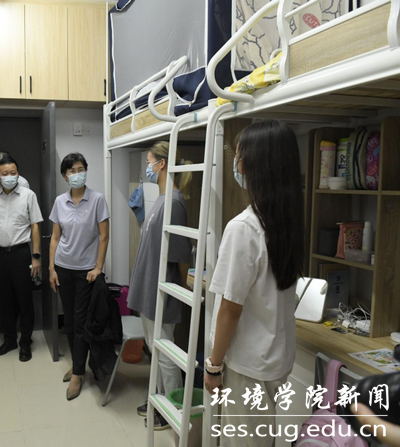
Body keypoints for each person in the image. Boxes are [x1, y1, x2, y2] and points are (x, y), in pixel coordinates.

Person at [204, 120, 304, 447]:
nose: (236, 162)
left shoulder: (244, 228)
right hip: (277, 360)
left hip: (248, 366)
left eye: (238, 155)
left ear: (253, 164)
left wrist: (214, 366)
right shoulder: (288, 222)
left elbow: (230, 310)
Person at [127, 141, 193, 431]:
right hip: (149, 288)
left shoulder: (174, 202)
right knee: (156, 350)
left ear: (162, 164)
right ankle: (159, 400)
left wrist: (184, 285)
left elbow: (181, 255)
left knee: (165, 353)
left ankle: (173, 410)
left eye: (149, 161)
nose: (148, 167)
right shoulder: (161, 199)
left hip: (163, 290)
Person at [48, 153, 110, 401]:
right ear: (65, 176)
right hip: (63, 267)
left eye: (80, 169)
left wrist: (98, 267)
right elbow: (55, 237)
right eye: (72, 171)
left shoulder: (97, 200)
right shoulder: (59, 201)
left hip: (86, 272)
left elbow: (104, 236)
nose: (77, 174)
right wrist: (52, 268)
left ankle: (77, 374)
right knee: (70, 321)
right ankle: (78, 364)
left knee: (82, 322)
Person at [0, 156, 43, 362]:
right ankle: (9, 340)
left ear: (18, 174)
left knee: (24, 300)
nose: (9, 176)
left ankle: (25, 342)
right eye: (5, 173)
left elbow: (35, 225)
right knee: (4, 300)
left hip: (20, 254)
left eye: (13, 173)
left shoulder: (28, 195)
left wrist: (36, 256)